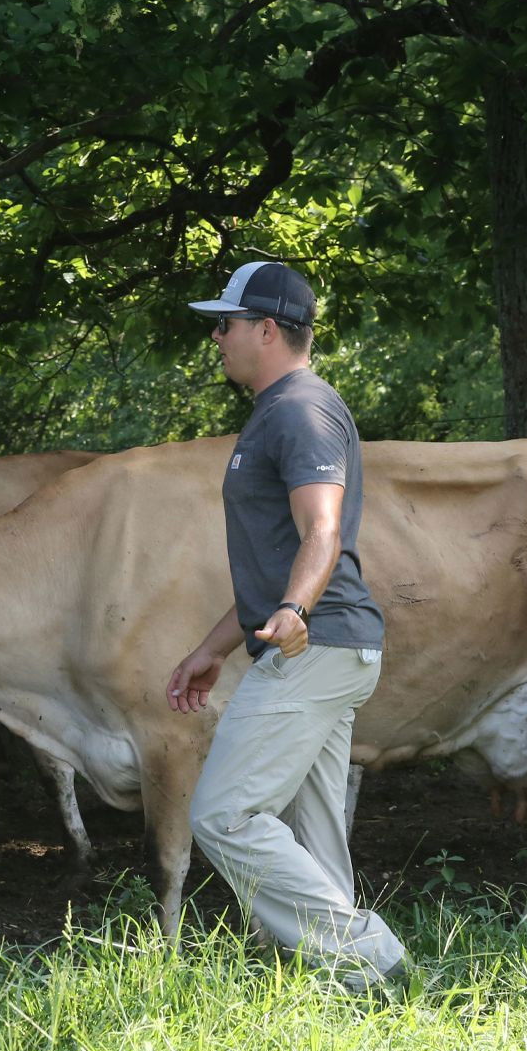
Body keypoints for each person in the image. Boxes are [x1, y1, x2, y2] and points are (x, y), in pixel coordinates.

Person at [166, 261, 407, 991]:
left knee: (223, 815)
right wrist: (214, 648)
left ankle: (370, 956)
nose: (217, 337)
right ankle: (349, 992)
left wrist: (297, 612)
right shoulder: (276, 411)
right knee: (314, 833)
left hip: (318, 643)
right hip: (324, 642)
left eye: (226, 323)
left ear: (266, 329)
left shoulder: (300, 410)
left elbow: (322, 529)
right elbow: (277, 559)